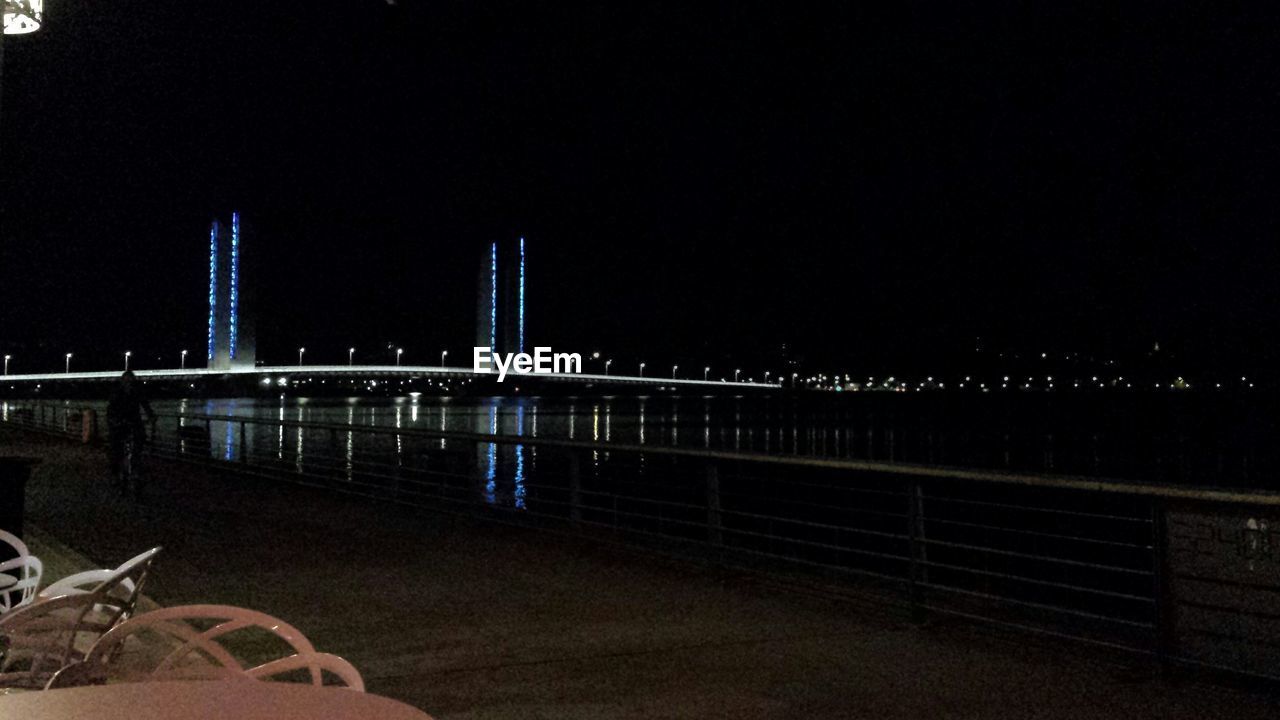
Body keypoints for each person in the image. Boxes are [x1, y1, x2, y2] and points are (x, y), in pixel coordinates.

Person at [106, 370, 156, 493]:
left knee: (139, 443)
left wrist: (151, 416)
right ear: (122, 382)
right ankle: (115, 474)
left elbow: (145, 405)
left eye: (130, 381)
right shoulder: (117, 393)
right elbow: (111, 409)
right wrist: (113, 421)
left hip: (134, 423)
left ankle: (135, 470)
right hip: (120, 423)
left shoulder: (137, 392)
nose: (128, 383)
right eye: (126, 381)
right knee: (116, 449)